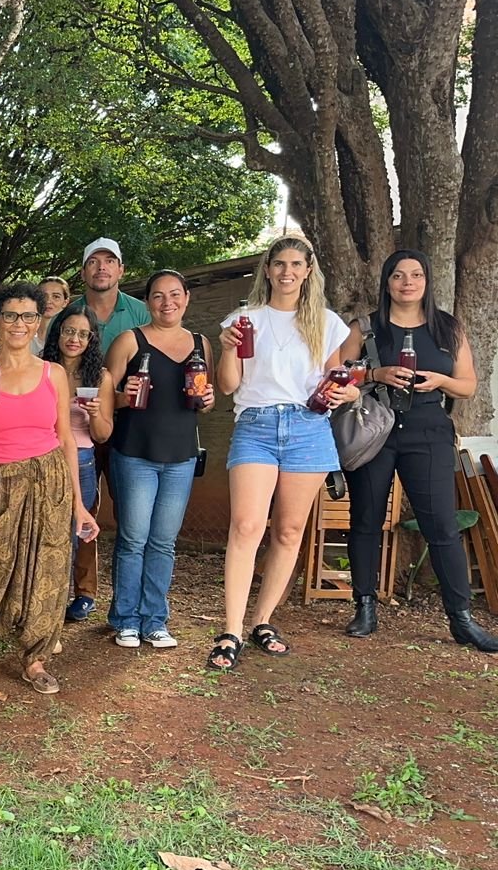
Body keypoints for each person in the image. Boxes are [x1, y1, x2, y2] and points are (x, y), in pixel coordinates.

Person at [210, 235, 357, 670]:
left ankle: (262, 621)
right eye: (279, 264)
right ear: (268, 269)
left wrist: (341, 394)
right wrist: (227, 348)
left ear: (309, 270)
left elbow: (338, 380)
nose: (287, 272)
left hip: (308, 428)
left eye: (296, 264)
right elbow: (228, 385)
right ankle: (230, 630)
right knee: (246, 526)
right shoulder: (243, 318)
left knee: (290, 531)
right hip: (256, 425)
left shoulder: (327, 322)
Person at [339, 251, 498, 652]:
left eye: (415, 275)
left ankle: (461, 620)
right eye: (397, 275)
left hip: (428, 431)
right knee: (365, 520)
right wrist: (376, 374)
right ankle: (365, 606)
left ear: (427, 281)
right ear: (387, 282)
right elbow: (338, 372)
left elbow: (468, 385)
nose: (407, 282)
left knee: (442, 526)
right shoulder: (367, 327)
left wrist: (441, 379)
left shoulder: (448, 328)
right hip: (376, 429)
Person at [0, 284, 98, 699]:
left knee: (46, 570)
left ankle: (35, 658)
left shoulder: (54, 374)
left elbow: (65, 439)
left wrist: (79, 507)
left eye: (28, 316)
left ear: (37, 323)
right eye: (11, 315)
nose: (20, 324)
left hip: (48, 478)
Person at [104, 270, 213, 650]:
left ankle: (155, 620)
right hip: (135, 454)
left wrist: (208, 401)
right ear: (147, 302)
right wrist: (123, 394)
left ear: (186, 297)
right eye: (158, 296)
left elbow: (198, 400)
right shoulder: (129, 341)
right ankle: (125, 619)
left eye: (174, 295)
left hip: (180, 457)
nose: (167, 303)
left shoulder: (201, 343)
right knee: (133, 540)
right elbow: (105, 399)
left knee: (164, 542)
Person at [62, 238, 150, 622]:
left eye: (109, 261)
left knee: (131, 515)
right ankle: (84, 592)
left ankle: (130, 601)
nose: (101, 268)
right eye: (93, 261)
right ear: (83, 272)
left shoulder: (142, 313)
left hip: (131, 426)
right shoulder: (68, 315)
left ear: (121, 270)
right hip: (76, 429)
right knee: (80, 508)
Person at [41, 308, 115, 625]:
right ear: (57, 333)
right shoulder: (40, 369)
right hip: (42, 457)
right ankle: (42, 598)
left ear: (91, 340)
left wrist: (97, 412)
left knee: (77, 529)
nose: (75, 339)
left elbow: (102, 434)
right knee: (43, 530)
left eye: (83, 334)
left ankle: (81, 596)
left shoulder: (99, 376)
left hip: (82, 459)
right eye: (69, 331)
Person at [33, 275, 71, 355]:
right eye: (43, 296)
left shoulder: (70, 338)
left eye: (56, 297)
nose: (48, 301)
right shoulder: (24, 332)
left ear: (65, 302)